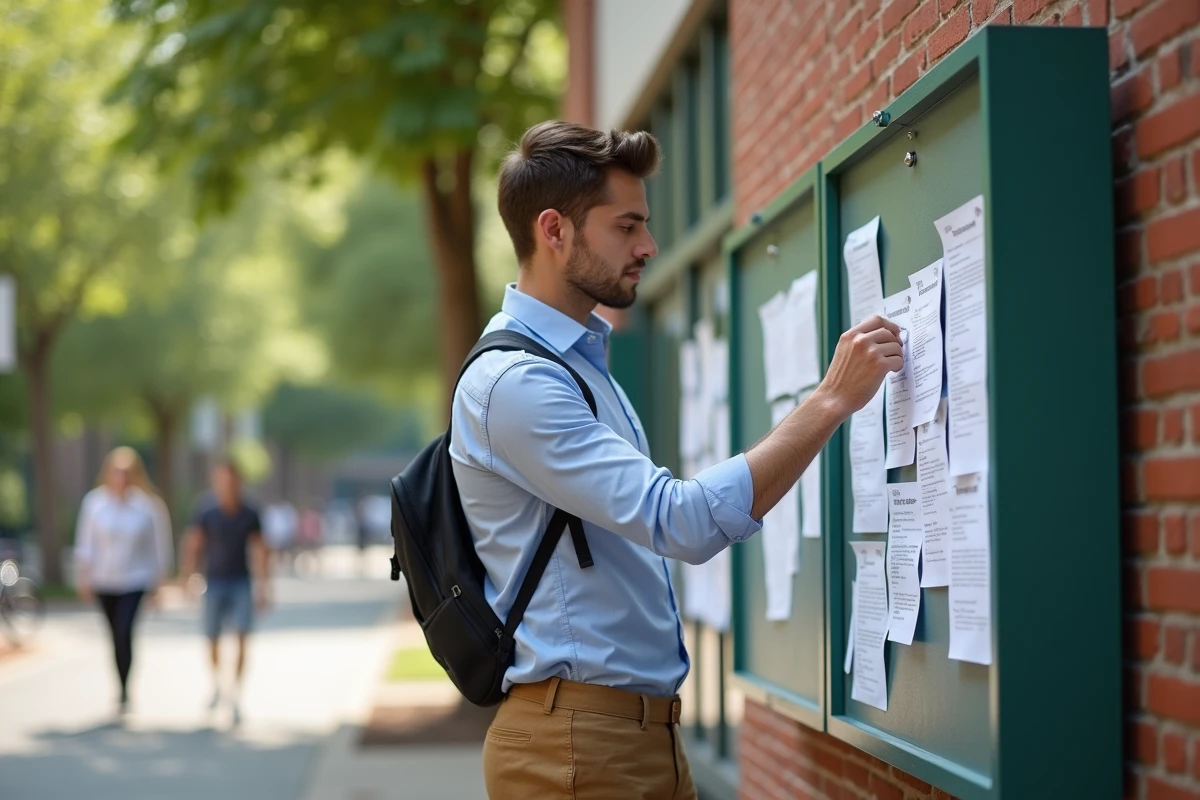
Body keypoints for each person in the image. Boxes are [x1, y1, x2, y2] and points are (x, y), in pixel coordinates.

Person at [451, 121, 902, 799]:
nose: (649, 246)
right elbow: (680, 522)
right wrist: (831, 401)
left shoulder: (575, 364)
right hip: (576, 750)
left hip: (632, 736)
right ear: (554, 231)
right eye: (626, 226)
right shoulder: (518, 385)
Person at [74, 447, 174, 716]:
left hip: (134, 579)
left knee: (124, 631)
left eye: (126, 472)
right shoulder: (94, 504)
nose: (121, 477)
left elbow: (159, 548)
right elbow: (86, 545)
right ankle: (120, 683)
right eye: (117, 472)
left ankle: (124, 691)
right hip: (104, 581)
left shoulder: (147, 506)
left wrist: (158, 585)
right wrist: (84, 578)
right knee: (114, 636)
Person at [180, 461, 270, 724]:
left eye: (231, 479)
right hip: (214, 583)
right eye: (222, 479)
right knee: (212, 639)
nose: (227, 484)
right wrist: (188, 578)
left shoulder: (250, 512)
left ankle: (236, 693)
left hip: (241, 582)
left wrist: (264, 587)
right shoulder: (206, 510)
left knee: (243, 637)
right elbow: (194, 544)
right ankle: (218, 684)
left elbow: (261, 549)